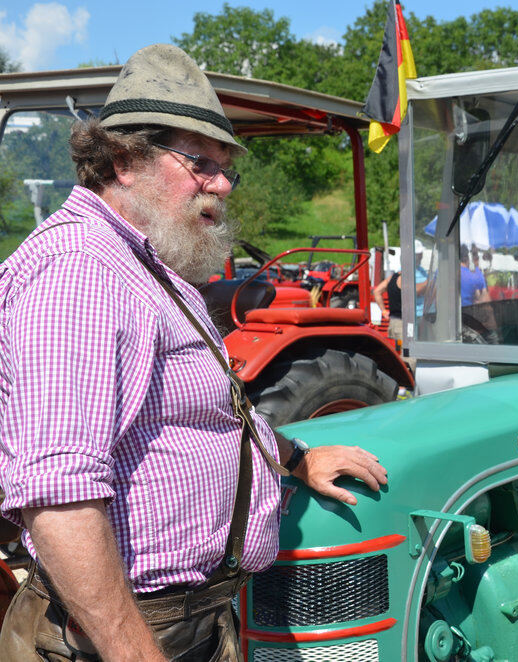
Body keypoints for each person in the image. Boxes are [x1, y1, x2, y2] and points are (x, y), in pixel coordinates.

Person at [0, 44, 388, 661]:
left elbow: (207, 411)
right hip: (121, 638)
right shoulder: (77, 273)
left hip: (189, 620)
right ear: (125, 159)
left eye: (228, 166)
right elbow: (59, 498)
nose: (224, 183)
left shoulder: (148, 266)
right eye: (201, 162)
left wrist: (293, 457)